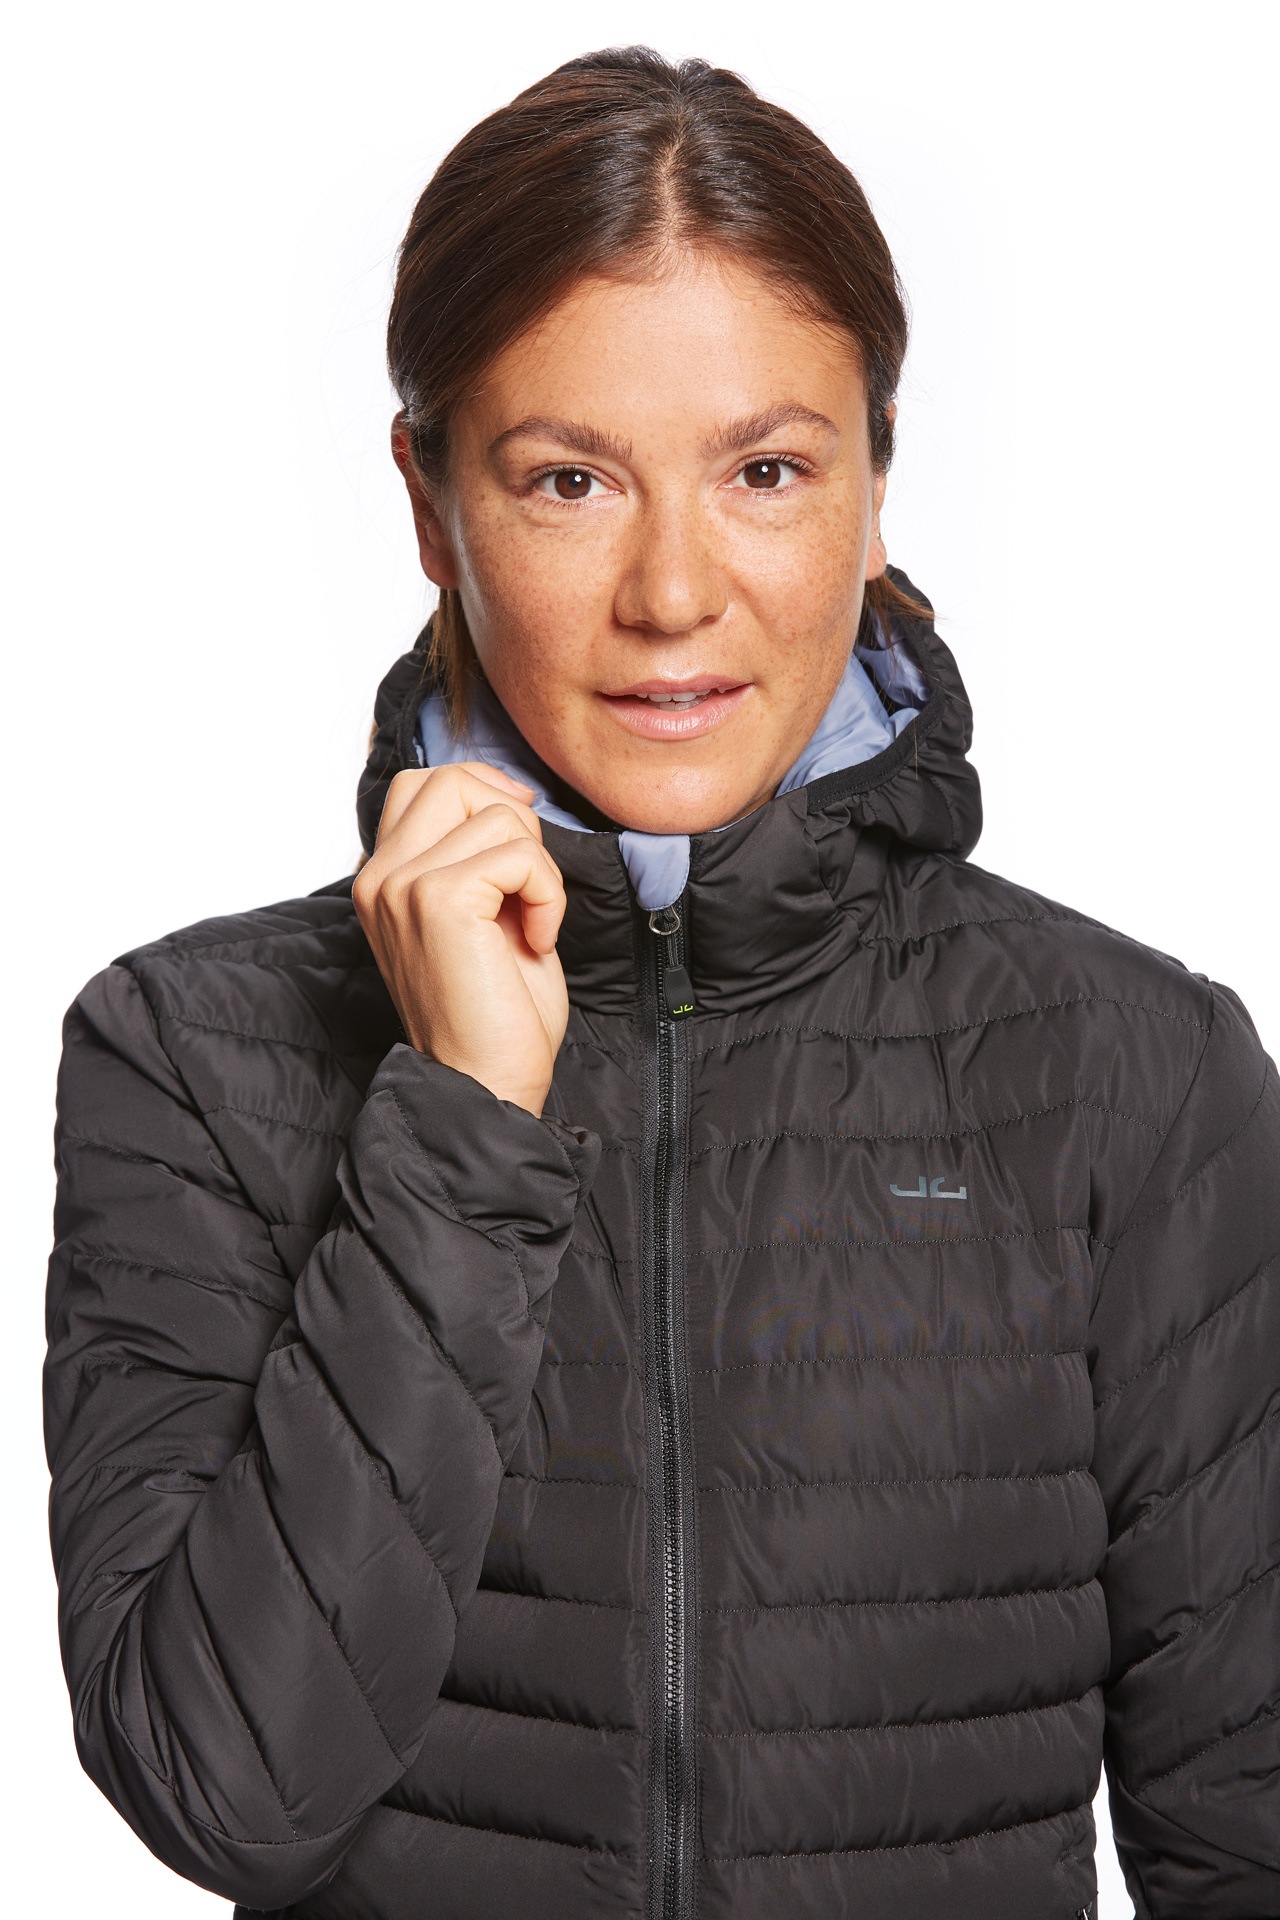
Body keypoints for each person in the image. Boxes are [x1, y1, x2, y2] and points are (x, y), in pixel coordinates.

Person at [43, 46, 1279, 1920]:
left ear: (875, 481)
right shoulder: (191, 1055)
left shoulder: (1137, 1072)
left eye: (766, 471)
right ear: (430, 503)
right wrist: (461, 1124)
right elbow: (227, 1795)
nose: (675, 593)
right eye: (570, 481)